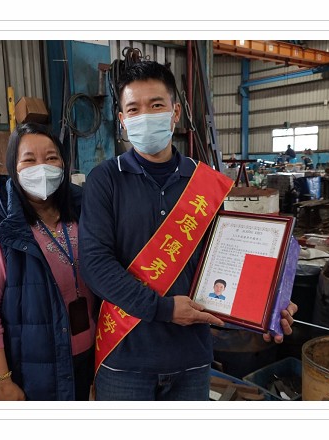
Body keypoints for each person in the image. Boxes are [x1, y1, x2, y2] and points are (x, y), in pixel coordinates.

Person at [78, 60, 297, 401]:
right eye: (133, 109)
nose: (144, 116)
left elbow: (224, 261)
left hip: (191, 360)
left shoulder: (205, 182)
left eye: (156, 105)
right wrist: (164, 309)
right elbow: (95, 264)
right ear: (122, 120)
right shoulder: (104, 180)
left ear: (175, 112)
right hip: (125, 359)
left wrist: (268, 305)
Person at [0, 122, 96, 401]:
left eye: (51, 158)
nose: (42, 168)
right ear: (13, 168)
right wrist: (1, 382)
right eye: (29, 160)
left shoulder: (82, 214)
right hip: (29, 373)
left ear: (64, 163)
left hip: (84, 361)